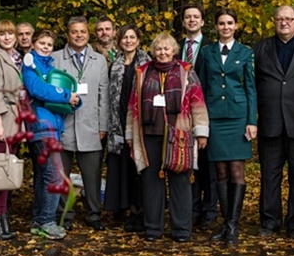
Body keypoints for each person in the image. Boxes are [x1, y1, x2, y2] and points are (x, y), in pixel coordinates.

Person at [126, 33, 209, 242]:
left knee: (180, 182)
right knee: (151, 182)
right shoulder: (142, 72)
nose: (162, 53)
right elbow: (132, 105)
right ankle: (153, 228)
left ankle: (181, 229)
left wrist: (201, 132)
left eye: (166, 49)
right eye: (158, 49)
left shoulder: (186, 71)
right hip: (149, 134)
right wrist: (129, 133)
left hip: (179, 134)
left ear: (173, 50)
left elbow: (197, 102)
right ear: (153, 52)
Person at [253, 6, 294, 239]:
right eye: (280, 19)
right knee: (269, 175)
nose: (284, 23)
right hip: (270, 120)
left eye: (289, 19)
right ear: (274, 22)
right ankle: (269, 221)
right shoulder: (260, 48)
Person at [198, 9, 257, 244]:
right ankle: (225, 223)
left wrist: (252, 121)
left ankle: (233, 224)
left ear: (236, 26)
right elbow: (200, 88)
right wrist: (201, 122)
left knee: (236, 171)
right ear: (216, 26)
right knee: (220, 172)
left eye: (229, 23)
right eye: (221, 23)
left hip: (238, 116)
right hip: (214, 117)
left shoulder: (245, 52)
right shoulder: (206, 52)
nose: (225, 27)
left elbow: (251, 87)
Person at [52, 16, 111, 231]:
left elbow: (103, 96)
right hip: (63, 126)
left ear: (89, 34)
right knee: (61, 176)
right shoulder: (55, 58)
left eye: (83, 32)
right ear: (68, 35)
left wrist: (103, 125)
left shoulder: (99, 60)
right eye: (74, 32)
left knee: (92, 175)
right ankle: (64, 215)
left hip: (91, 125)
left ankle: (94, 214)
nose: (79, 35)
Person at [23, 30, 81, 240]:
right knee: (54, 175)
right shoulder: (30, 66)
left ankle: (38, 222)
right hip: (40, 127)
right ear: (33, 44)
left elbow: (60, 94)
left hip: (54, 126)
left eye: (49, 44)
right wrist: (66, 96)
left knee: (43, 176)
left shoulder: (51, 68)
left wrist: (74, 101)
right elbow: (38, 89)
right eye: (42, 43)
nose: (46, 47)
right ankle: (48, 221)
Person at [104, 23, 150, 232]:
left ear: (138, 40)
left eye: (132, 37)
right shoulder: (115, 64)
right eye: (125, 38)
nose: (128, 41)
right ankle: (122, 209)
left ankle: (139, 211)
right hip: (117, 121)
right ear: (119, 41)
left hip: (138, 122)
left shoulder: (147, 63)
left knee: (137, 168)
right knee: (120, 167)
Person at [178, 3, 217, 229]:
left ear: (202, 22)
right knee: (188, 165)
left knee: (208, 165)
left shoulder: (211, 49)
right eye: (188, 17)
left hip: (207, 112)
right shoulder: (176, 48)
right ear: (183, 22)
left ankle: (210, 212)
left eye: (196, 17)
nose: (192, 20)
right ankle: (191, 210)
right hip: (182, 116)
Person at [0, 20, 25, 240]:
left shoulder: (18, 60)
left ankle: (3, 218)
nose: (7, 37)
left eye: (11, 33)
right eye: (3, 35)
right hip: (2, 121)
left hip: (17, 120)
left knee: (8, 174)